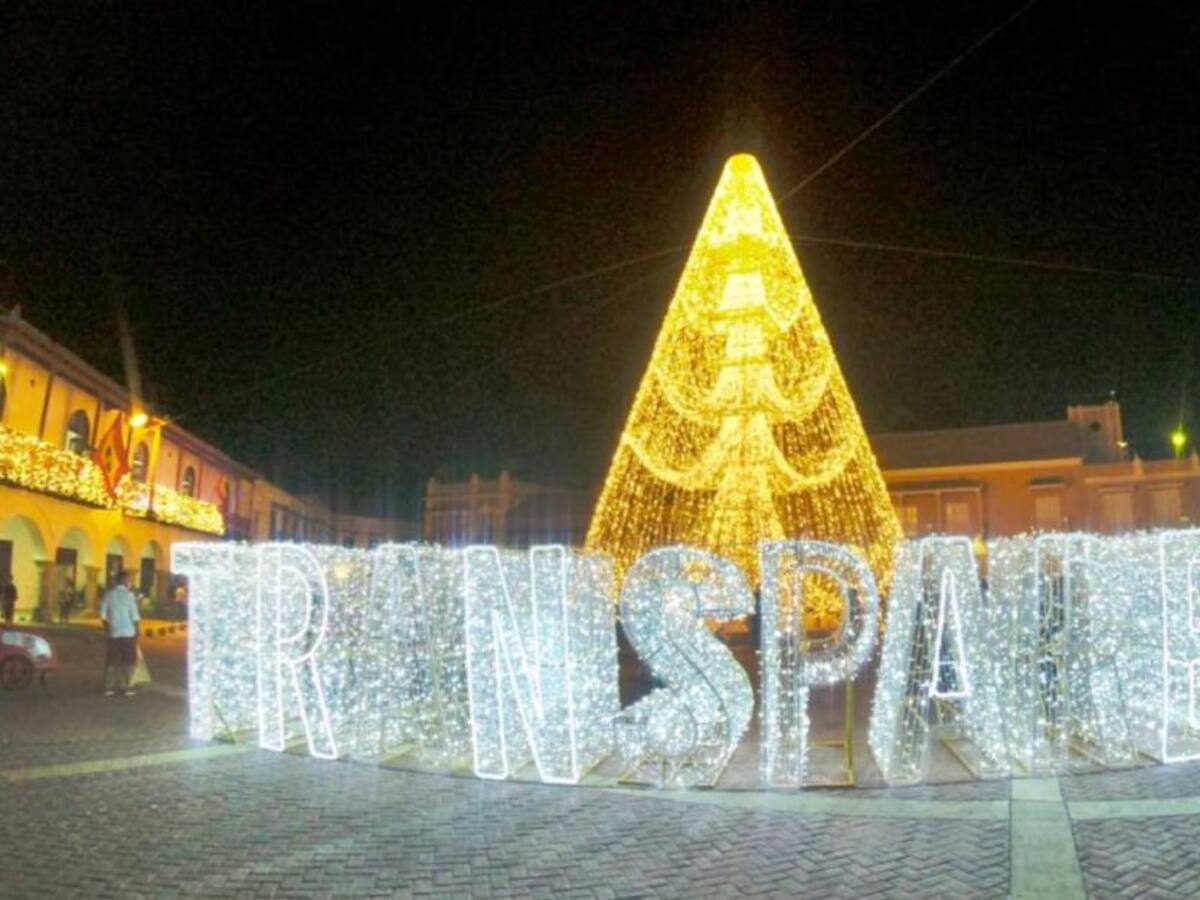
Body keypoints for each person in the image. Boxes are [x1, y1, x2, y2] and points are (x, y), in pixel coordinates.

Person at [99, 571, 141, 696]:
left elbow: (102, 615)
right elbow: (134, 616)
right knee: (128, 660)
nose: (131, 582)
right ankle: (127, 687)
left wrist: (108, 628)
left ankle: (109, 687)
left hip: (114, 631)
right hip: (128, 632)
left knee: (112, 660)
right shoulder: (129, 596)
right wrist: (137, 630)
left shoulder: (108, 595)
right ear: (125, 581)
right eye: (129, 580)